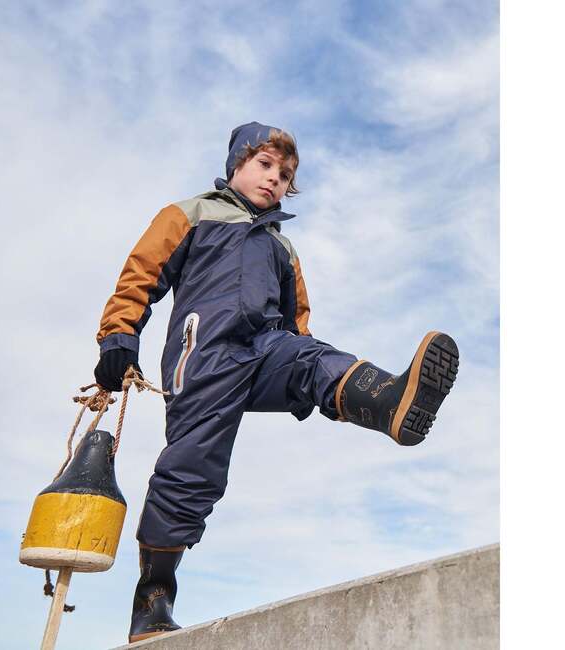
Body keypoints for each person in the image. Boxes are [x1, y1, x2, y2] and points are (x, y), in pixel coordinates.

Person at [93, 121, 459, 643]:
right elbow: (141, 273)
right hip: (204, 357)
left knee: (312, 357)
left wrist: (301, 371)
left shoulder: (282, 248)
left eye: (285, 175)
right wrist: (118, 335)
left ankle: (390, 402)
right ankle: (153, 598)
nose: (274, 180)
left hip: (265, 350)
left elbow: (298, 318)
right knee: (192, 471)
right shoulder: (191, 214)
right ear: (236, 164)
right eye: (265, 166)